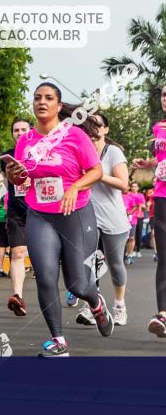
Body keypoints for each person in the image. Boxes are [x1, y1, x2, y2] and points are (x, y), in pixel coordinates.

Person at [5, 83, 111, 358]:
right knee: (46, 277)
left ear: (58, 106)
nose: (42, 102)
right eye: (37, 97)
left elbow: (96, 170)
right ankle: (58, 340)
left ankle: (96, 303)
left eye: (48, 98)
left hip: (75, 213)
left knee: (77, 284)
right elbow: (21, 180)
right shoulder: (25, 141)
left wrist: (75, 187)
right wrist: (13, 174)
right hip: (40, 215)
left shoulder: (73, 135)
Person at [74, 113, 130, 327]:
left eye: (98, 124)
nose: (93, 128)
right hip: (88, 217)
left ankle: (119, 306)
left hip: (114, 219)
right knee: (91, 263)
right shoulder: (81, 153)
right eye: (89, 124)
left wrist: (97, 174)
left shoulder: (113, 152)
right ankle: (92, 306)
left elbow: (123, 183)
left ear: (106, 129)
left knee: (115, 265)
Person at [131, 83, 166, 338]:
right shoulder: (159, 128)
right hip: (163, 196)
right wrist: (149, 163)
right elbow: (160, 159)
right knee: (164, 256)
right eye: (164, 94)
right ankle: (162, 315)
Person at [2, 117, 32, 317]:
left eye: (23, 129)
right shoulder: (7, 157)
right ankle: (17, 296)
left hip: (39, 210)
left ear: (30, 131)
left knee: (48, 257)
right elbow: (7, 184)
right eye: (16, 130)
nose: (19, 133)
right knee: (18, 252)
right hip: (16, 210)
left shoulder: (39, 152)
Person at [123, 182, 145, 265]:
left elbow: (137, 206)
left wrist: (130, 213)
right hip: (122, 220)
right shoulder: (119, 196)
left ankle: (130, 255)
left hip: (132, 219)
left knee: (131, 238)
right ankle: (125, 253)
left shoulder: (135, 196)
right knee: (125, 238)